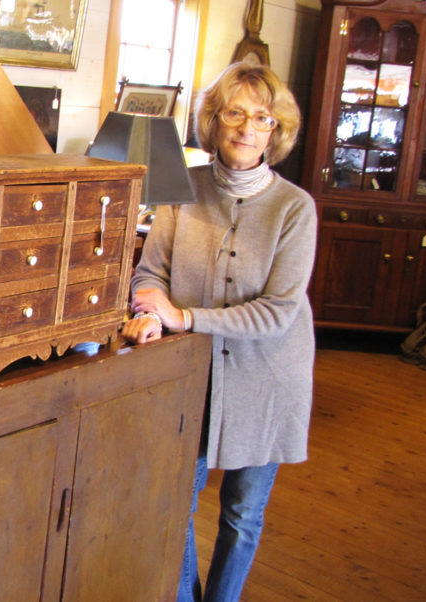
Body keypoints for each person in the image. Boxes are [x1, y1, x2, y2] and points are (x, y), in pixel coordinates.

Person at [122, 62, 317, 602]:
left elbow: (277, 312)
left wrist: (183, 317)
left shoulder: (296, 209)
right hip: (193, 375)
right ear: (214, 119)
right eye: (235, 113)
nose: (247, 128)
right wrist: (148, 308)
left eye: (263, 118)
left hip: (268, 378)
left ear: (276, 130)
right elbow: (150, 272)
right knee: (177, 500)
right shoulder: (181, 190)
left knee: (242, 512)